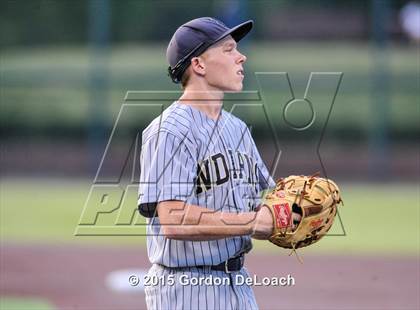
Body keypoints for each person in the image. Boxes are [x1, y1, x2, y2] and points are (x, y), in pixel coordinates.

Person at [138, 17, 279, 310]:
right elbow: (173, 219)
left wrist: (285, 216)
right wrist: (254, 222)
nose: (241, 56)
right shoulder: (170, 130)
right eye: (228, 50)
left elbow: (256, 207)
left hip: (238, 284)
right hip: (186, 289)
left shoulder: (237, 129)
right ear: (199, 65)